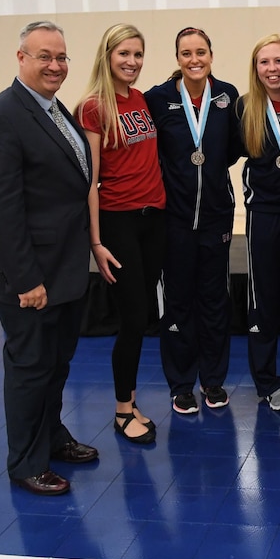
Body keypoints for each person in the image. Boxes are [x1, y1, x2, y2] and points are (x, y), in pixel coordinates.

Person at [0, 20, 98, 496]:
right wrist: (26, 280)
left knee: (56, 364)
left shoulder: (53, 110)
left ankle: (52, 435)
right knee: (29, 368)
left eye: (62, 57)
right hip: (30, 279)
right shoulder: (0, 117)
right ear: (21, 57)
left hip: (62, 269)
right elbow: (0, 211)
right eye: (44, 56)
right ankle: (26, 462)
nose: (55, 65)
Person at [73, 23, 165, 445]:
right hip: (119, 221)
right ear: (107, 55)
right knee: (131, 320)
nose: (132, 62)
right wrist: (96, 242)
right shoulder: (93, 107)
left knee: (143, 315)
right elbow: (89, 180)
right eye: (124, 54)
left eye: (138, 54)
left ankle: (129, 401)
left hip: (153, 219)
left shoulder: (140, 99)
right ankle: (122, 411)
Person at [145, 27, 243, 415]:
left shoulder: (227, 96)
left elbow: (234, 149)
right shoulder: (159, 98)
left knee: (215, 302)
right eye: (186, 53)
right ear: (178, 58)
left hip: (217, 217)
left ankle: (214, 380)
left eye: (200, 51)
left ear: (211, 55)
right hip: (175, 219)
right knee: (178, 303)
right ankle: (182, 383)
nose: (194, 59)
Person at [237, 34, 280, 411]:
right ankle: (266, 381)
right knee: (264, 299)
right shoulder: (244, 108)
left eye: (279, 61)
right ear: (255, 68)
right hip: (264, 216)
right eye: (264, 62)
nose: (272, 69)